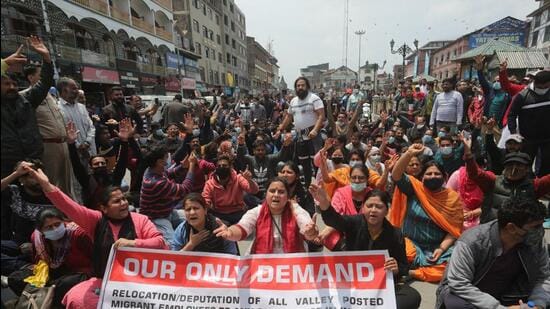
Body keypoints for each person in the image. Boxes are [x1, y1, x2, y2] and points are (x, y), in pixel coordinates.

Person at [24, 168, 166, 309]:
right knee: (76, 298)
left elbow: (160, 242)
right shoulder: (96, 221)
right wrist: (46, 185)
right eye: (117, 201)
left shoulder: (140, 220)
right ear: (104, 209)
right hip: (106, 280)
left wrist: (133, 243)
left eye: (124, 199)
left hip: (140, 281)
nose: (123, 203)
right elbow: (70, 207)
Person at [311, 186, 422, 309]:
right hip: (351, 282)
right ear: (363, 208)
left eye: (379, 207)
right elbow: (335, 221)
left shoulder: (395, 234)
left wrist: (396, 268)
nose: (373, 210)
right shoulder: (354, 223)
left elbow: (404, 266)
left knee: (412, 296)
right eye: (369, 206)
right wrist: (324, 203)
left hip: (380, 286)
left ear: (386, 210)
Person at [436, 197, 549, 309]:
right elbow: (459, 283)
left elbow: (544, 277)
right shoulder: (472, 242)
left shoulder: (535, 242)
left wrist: (538, 304)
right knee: (456, 304)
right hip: (473, 297)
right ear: (511, 228)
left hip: (512, 296)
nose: (540, 230)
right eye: (535, 227)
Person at [391, 143, 464, 282]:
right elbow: (396, 175)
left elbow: (454, 230)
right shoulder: (415, 188)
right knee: (403, 253)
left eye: (437, 174)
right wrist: (409, 154)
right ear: (422, 177)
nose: (433, 176)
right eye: (428, 174)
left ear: (444, 177)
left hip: (436, 247)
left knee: (455, 261)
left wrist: (441, 249)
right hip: (411, 243)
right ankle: (416, 267)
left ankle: (412, 272)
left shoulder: (452, 198)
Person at [8, 208, 92, 308]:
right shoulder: (37, 237)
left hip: (78, 273)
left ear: (64, 222)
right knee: (15, 278)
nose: (55, 229)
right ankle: (36, 299)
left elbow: (95, 261)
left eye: (57, 224)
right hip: (49, 271)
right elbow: (38, 262)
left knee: (63, 284)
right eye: (49, 227)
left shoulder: (79, 234)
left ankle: (43, 301)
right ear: (41, 230)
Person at [215, 177, 318, 254]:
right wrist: (230, 233)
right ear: (266, 194)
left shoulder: (295, 209)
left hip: (293, 264)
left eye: (281, 192)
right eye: (272, 191)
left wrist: (310, 232)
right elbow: (242, 228)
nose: (276, 195)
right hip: (262, 263)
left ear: (288, 197)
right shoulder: (257, 211)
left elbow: (306, 225)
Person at [463, 136, 550, 223]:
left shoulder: (534, 186)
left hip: (521, 233)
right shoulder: (493, 181)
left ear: (527, 169)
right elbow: (474, 173)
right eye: (510, 165)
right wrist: (468, 154)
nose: (514, 169)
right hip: (493, 230)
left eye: (519, 165)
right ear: (505, 167)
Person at [1, 36, 52, 178]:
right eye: (6, 84)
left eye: (14, 84)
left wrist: (46, 58)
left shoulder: (26, 100)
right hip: (7, 167)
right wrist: (5, 63)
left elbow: (45, 83)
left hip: (33, 162)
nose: (12, 87)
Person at [22, 63, 75, 198]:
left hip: (63, 144)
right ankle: (51, 214)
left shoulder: (50, 96)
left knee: (67, 184)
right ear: (31, 77)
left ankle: (68, 213)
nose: (45, 78)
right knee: (50, 185)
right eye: (41, 75)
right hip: (48, 146)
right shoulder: (25, 97)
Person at [66, 120, 130, 209]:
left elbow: (122, 163)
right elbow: (76, 164)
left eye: (102, 163)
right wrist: (71, 144)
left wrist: (124, 141)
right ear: (91, 168)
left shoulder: (114, 179)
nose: (100, 165)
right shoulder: (87, 181)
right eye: (96, 164)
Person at [275, 77, 326, 187]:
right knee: (304, 164)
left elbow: (321, 115)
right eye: (298, 86)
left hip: (313, 136)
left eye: (302, 85)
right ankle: (308, 187)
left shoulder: (314, 98)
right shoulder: (293, 101)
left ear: (307, 86)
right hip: (300, 137)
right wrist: (280, 129)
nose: (300, 87)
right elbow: (288, 117)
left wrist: (315, 130)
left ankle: (319, 187)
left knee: (317, 163)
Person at [139, 147, 196, 244]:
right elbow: (185, 189)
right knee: (172, 245)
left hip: (168, 212)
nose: (168, 159)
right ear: (159, 162)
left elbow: (169, 173)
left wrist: (183, 166)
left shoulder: (153, 170)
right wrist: (192, 166)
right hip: (156, 218)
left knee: (197, 217)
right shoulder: (155, 182)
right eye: (166, 157)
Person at [507, 69, 550, 177]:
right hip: (528, 139)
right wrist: (514, 133)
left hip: (547, 139)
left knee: (546, 165)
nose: (542, 89)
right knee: (525, 165)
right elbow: (512, 115)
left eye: (545, 86)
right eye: (540, 86)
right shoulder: (523, 96)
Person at [170, 193, 237, 254]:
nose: (192, 212)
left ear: (205, 210)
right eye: (188, 209)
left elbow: (232, 256)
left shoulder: (220, 228)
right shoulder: (182, 229)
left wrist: (228, 235)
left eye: (196, 208)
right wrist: (191, 244)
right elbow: (173, 258)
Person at [202, 154, 259, 225]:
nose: (221, 167)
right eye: (219, 166)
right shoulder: (209, 183)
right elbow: (206, 200)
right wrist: (205, 205)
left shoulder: (238, 178)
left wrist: (249, 180)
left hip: (238, 213)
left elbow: (254, 190)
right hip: (219, 214)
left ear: (230, 167)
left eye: (224, 165)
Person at [57, 77, 96, 161]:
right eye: (74, 89)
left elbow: (91, 127)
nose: (77, 91)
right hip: (75, 154)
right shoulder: (57, 109)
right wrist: (79, 146)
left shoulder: (81, 107)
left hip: (91, 151)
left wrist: (87, 142)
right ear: (64, 90)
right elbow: (63, 132)